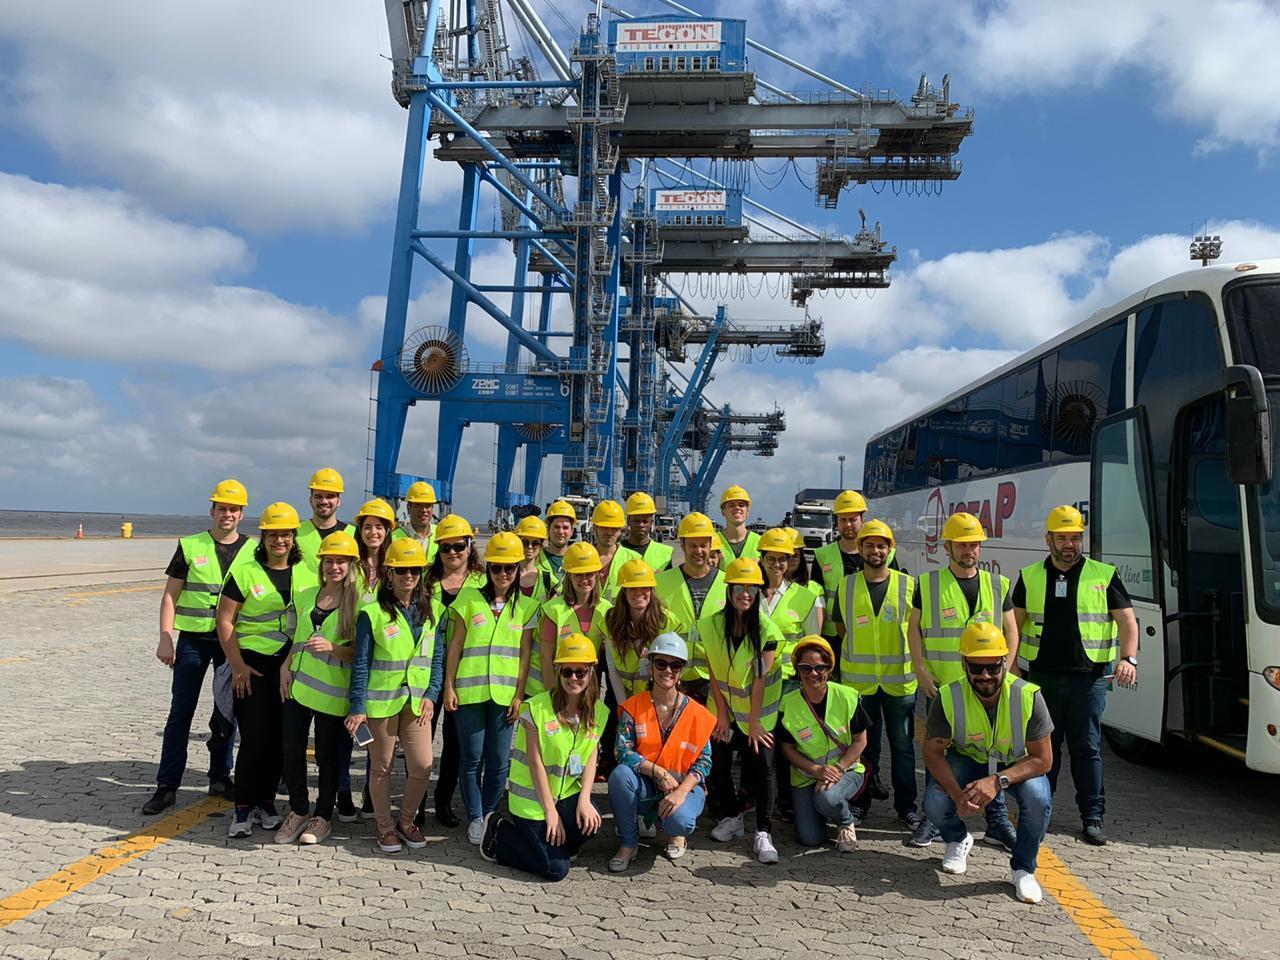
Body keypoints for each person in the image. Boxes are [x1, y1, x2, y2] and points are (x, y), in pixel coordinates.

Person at [1012, 505, 1138, 847]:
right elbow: (1014, 624)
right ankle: (1039, 811)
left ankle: (1092, 817)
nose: (1070, 545)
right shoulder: (1029, 575)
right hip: (1041, 678)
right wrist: (1009, 667)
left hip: (1089, 679)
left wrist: (1129, 659)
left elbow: (1128, 620)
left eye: (1076, 538)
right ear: (1048, 538)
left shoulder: (1103, 574)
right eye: (1063, 538)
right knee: (1043, 750)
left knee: (1087, 749)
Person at [907, 511, 1018, 849]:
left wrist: (1004, 674)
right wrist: (920, 670)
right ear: (948, 546)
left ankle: (996, 820)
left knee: (990, 752)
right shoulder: (927, 584)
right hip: (943, 687)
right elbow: (913, 628)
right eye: (962, 544)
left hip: (986, 688)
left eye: (974, 544)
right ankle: (934, 820)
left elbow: (1012, 630)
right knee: (937, 752)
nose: (969, 549)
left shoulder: (997, 584)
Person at [922, 622, 1054, 904]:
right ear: (963, 663)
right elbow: (932, 753)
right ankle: (958, 839)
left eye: (993, 668)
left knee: (1038, 797)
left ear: (1004, 663)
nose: (985, 676)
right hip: (969, 761)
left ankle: (1023, 869)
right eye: (976, 668)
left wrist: (997, 781)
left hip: (1014, 767)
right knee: (934, 802)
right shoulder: (948, 696)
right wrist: (958, 796)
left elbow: (1043, 760)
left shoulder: (1028, 696)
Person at [144, 478, 254, 815]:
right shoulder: (190, 546)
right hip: (192, 641)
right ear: (212, 510)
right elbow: (170, 595)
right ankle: (167, 786)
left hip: (231, 643)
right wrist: (165, 636)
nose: (227, 514)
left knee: (226, 714)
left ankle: (220, 776)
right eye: (222, 508)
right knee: (181, 713)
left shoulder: (253, 550)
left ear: (241, 513)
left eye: (233, 509)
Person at [344, 538, 445, 853]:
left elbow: (437, 658)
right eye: (401, 571)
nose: (408, 576)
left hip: (417, 703)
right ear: (389, 573)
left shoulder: (434, 610)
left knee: (422, 765)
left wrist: (432, 694)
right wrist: (357, 707)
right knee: (382, 766)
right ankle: (385, 827)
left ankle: (406, 821)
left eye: (414, 570)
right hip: (381, 704)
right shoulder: (371, 613)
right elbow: (360, 664)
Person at [478, 633, 606, 880]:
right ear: (558, 671)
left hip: (564, 793)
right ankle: (499, 831)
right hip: (532, 800)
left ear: (591, 672)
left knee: (592, 820)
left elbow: (590, 757)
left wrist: (585, 799)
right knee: (556, 870)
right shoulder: (536, 708)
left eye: (581, 672)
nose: (574, 678)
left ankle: (555, 844)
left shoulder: (598, 711)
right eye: (567, 671)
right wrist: (551, 812)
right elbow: (535, 763)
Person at [442, 532, 540, 844]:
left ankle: (487, 813)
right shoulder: (468, 600)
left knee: (498, 761)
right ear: (488, 569)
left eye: (509, 569)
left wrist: (518, 695)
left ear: (517, 569)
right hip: (469, 694)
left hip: (504, 695)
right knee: (471, 760)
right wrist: (448, 686)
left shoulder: (528, 607)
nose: (502, 575)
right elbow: (455, 647)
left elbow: (525, 655)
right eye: (496, 568)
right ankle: (474, 817)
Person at [216, 501, 301, 838]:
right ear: (263, 536)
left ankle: (266, 802)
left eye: (285, 534)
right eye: (272, 534)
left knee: (281, 739)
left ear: (294, 537)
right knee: (254, 740)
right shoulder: (245, 570)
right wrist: (237, 666)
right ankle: (242, 808)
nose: (279, 540)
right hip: (251, 666)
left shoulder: (306, 571)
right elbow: (224, 620)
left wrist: (290, 660)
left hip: (289, 664)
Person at [831, 521, 918, 830]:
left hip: (900, 682)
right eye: (870, 545)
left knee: (904, 747)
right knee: (864, 748)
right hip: (860, 684)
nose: (876, 550)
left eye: (882, 545)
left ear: (890, 549)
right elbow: (842, 630)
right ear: (862, 549)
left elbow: (917, 631)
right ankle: (860, 804)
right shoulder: (847, 585)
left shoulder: (908, 585)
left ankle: (907, 807)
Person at [276, 531, 361, 845]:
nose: (334, 567)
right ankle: (298, 809)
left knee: (327, 757)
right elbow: (292, 639)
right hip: (297, 687)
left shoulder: (358, 605)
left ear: (351, 565)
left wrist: (332, 649)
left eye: (341, 561)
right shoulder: (304, 595)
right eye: (329, 561)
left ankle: (323, 816)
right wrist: (285, 667)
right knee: (291, 750)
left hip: (331, 693)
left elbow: (359, 654)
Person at [701, 557, 784, 864]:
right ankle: (733, 817)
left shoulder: (767, 630)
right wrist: (721, 715)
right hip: (724, 709)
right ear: (729, 589)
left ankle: (763, 831)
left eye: (752, 588)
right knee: (717, 763)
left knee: (763, 764)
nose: (745, 594)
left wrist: (755, 722)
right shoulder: (711, 625)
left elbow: (761, 677)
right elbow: (713, 670)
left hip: (758, 714)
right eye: (739, 587)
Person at [607, 633, 715, 870]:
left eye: (675, 665)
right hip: (647, 785)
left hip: (683, 788)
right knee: (620, 776)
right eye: (661, 664)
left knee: (680, 822)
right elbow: (622, 751)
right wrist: (658, 772)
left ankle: (676, 834)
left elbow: (704, 761)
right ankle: (628, 843)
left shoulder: (696, 713)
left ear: (682, 671)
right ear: (651, 665)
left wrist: (681, 792)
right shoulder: (635, 706)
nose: (668, 671)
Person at [416, 513, 486, 829]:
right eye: (446, 548)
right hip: (427, 668)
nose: (453, 553)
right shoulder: (425, 583)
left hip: (466, 671)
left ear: (470, 546)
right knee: (420, 739)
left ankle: (443, 801)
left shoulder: (483, 582)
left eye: (459, 546)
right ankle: (415, 804)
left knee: (456, 744)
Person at [778, 636, 869, 852]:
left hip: (846, 769)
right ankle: (823, 808)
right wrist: (818, 771)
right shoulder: (788, 703)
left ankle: (845, 820)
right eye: (805, 668)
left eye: (820, 667)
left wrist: (836, 770)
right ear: (797, 669)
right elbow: (787, 749)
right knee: (809, 839)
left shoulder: (847, 696)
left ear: (829, 668)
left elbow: (860, 741)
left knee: (827, 798)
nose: (813, 674)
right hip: (806, 775)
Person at [654, 512, 726, 704]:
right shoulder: (661, 583)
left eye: (703, 545)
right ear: (682, 545)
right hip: (674, 678)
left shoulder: (727, 585)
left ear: (711, 546)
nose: (698, 551)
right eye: (693, 545)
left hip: (714, 681)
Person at [539, 542, 610, 694]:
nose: (584, 580)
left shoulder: (606, 610)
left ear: (597, 574)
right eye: (578, 574)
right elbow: (545, 658)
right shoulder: (554, 609)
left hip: (591, 688)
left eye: (589, 574)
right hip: (562, 684)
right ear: (569, 576)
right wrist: (552, 694)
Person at [758, 527, 823, 691]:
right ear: (762, 558)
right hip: (752, 676)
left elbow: (812, 644)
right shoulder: (748, 595)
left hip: (789, 680)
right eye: (771, 559)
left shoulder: (805, 598)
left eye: (782, 559)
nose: (777, 565)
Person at [296, 468, 356, 575]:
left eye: (330, 497)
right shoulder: (295, 533)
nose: (324, 501)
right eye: (318, 496)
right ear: (311, 500)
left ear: (338, 501)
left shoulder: (354, 535)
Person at [591, 500, 641, 600]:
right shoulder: (582, 558)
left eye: (614, 528)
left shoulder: (634, 560)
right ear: (594, 528)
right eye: (604, 527)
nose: (609, 532)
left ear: (620, 531)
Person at [353, 498, 397, 601]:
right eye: (367, 527)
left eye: (379, 527)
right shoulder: (350, 563)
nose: (373, 532)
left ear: (387, 531)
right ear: (360, 530)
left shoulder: (395, 566)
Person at [622, 492, 674, 572]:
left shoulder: (664, 553)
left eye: (645, 521)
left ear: (651, 522)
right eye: (636, 521)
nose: (641, 525)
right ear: (628, 521)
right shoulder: (615, 551)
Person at [391, 481, 439, 564]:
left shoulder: (440, 533)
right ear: (408, 507)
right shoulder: (393, 538)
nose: (424, 510)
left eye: (428, 506)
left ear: (432, 508)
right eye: (418, 505)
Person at [716, 484, 760, 570]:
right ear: (723, 512)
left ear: (747, 511)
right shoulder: (713, 541)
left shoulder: (760, 542)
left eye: (741, 504)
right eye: (731, 505)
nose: (737, 507)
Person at [541, 500, 578, 586]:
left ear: (572, 531)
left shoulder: (577, 559)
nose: (561, 532)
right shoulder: (536, 559)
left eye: (565, 527)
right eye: (557, 527)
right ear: (548, 529)